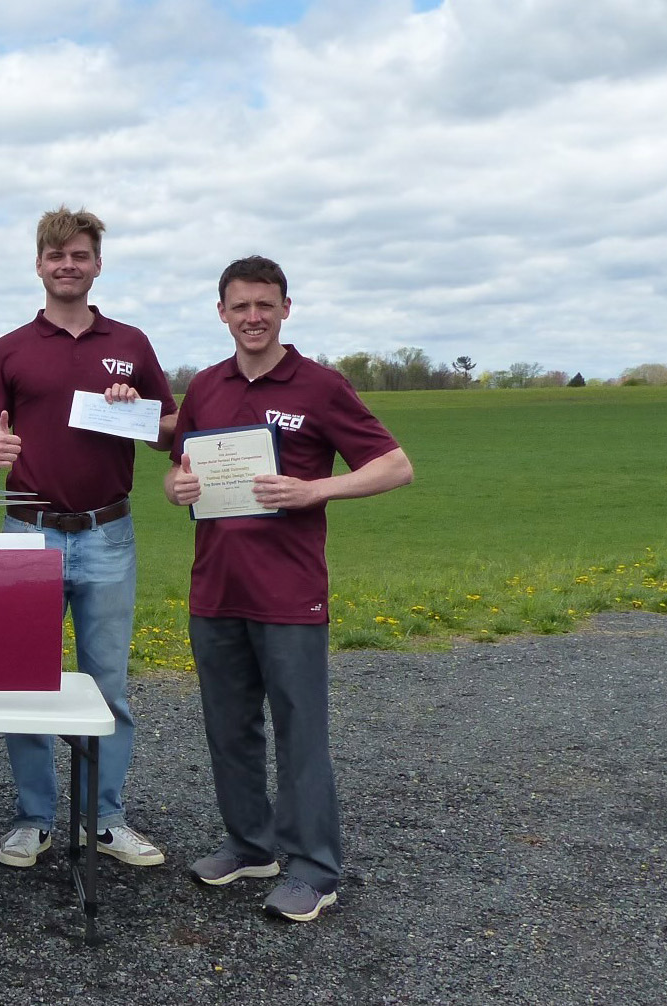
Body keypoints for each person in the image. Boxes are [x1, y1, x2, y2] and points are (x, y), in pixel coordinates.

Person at [164, 255, 414, 922]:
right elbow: (178, 475)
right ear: (221, 312)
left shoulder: (320, 386)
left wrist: (316, 488)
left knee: (300, 731)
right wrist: (176, 488)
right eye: (240, 306)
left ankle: (314, 868)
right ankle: (251, 844)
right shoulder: (207, 387)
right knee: (228, 728)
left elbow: (396, 465)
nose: (253, 317)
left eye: (264, 305)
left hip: (290, 592)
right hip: (215, 588)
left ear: (285, 309)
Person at [0, 206, 175, 870]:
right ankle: (34, 817)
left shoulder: (132, 344)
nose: (67, 265)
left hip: (106, 531)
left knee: (107, 685)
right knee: (26, 683)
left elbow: (171, 431)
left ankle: (104, 817)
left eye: (79, 255)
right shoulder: (7, 351)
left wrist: (134, 410)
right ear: (38, 265)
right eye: (56, 256)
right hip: (28, 536)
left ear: (96, 264)